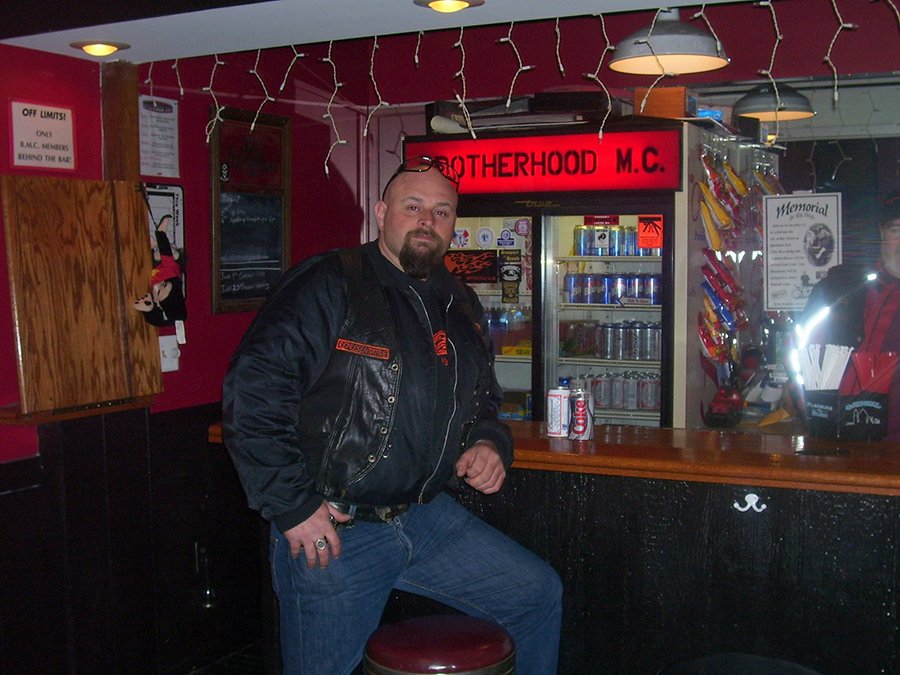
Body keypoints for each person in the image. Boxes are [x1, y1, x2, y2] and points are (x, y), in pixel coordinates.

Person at [222, 156, 562, 674]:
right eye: (413, 206)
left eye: (442, 211)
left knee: (535, 594)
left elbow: (483, 398)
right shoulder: (331, 282)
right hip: (336, 528)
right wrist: (292, 505)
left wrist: (489, 441)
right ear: (382, 213)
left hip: (423, 518)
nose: (428, 220)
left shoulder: (459, 301)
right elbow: (254, 391)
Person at [801, 189, 900, 439]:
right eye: (896, 230)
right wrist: (812, 416)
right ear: (881, 234)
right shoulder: (838, 288)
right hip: (832, 444)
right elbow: (799, 359)